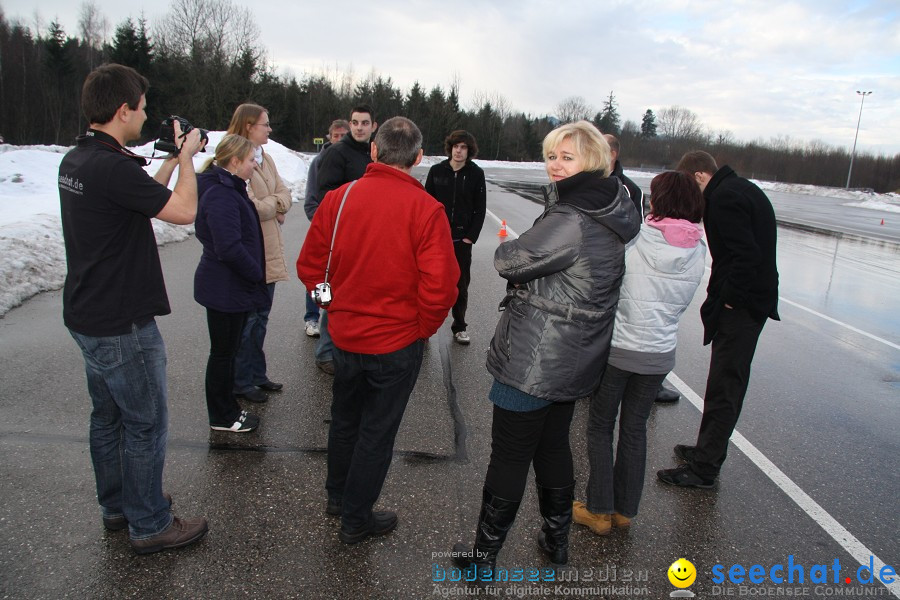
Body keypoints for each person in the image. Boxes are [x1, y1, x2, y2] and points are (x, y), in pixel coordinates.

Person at [452, 121, 640, 578]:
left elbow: (508, 259)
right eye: (552, 155)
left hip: (537, 355)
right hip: (576, 354)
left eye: (567, 157)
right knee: (553, 446)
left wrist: (521, 254)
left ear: (592, 160)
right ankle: (555, 542)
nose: (556, 165)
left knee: (511, 454)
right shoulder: (610, 206)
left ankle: (483, 560)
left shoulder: (573, 216)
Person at [59, 63, 208, 554]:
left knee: (108, 419)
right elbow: (183, 210)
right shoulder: (110, 168)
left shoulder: (79, 160)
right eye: (142, 109)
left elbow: (138, 195)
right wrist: (187, 158)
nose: (146, 117)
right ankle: (150, 523)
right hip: (122, 322)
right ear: (124, 110)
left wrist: (165, 161)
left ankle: (119, 505)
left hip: (88, 314)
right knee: (144, 423)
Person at [296, 117, 458, 544]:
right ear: (419, 159)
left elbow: (310, 265)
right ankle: (355, 517)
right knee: (375, 433)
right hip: (395, 344)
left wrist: (329, 304)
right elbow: (441, 286)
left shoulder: (340, 198)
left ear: (374, 151)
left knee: (346, 421)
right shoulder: (426, 210)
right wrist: (420, 329)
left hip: (346, 338)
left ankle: (338, 497)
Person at [573, 171, 706, 536]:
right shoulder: (698, 249)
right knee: (634, 429)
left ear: (658, 201)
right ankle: (624, 510)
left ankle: (599, 509)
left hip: (619, 348)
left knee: (600, 426)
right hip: (659, 352)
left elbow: (608, 281)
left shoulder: (638, 238)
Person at [657, 151, 779, 488]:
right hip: (753, 302)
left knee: (725, 386)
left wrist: (730, 301)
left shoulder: (724, 198)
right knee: (722, 383)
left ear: (698, 176)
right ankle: (705, 451)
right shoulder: (740, 189)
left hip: (743, 307)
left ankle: (705, 469)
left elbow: (746, 256)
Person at [194, 134, 270, 434]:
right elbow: (228, 247)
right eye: (251, 160)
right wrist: (256, 273)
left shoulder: (229, 187)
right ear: (235, 161)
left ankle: (227, 410)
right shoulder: (221, 194)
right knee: (223, 354)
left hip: (231, 286)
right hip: (225, 288)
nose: (255, 166)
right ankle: (222, 415)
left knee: (227, 351)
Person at [605, 134, 681, 403]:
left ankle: (647, 383)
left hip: (619, 266)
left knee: (630, 319)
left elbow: (634, 230)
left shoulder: (629, 189)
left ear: (613, 153)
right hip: (597, 268)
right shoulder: (585, 181)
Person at [226, 103, 292, 404]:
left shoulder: (266, 160)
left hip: (269, 249)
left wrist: (273, 205)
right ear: (249, 125)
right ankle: (241, 380)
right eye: (265, 124)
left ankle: (256, 373)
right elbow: (248, 205)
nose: (269, 129)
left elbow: (285, 195)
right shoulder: (235, 158)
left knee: (261, 317)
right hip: (254, 252)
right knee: (249, 320)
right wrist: (272, 207)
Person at [309, 105, 377, 375]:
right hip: (342, 236)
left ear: (374, 125)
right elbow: (325, 195)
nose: (359, 127)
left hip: (367, 237)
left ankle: (353, 349)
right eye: (355, 122)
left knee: (360, 296)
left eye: (365, 122)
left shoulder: (374, 152)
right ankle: (326, 352)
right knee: (335, 296)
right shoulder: (337, 153)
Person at [425, 130, 487, 345]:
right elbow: (427, 204)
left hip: (461, 240)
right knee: (429, 282)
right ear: (450, 148)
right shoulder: (436, 171)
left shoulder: (476, 174)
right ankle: (424, 327)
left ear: (469, 151)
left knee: (460, 285)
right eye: (456, 146)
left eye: (463, 148)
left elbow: (480, 209)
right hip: (437, 239)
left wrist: (470, 237)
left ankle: (459, 326)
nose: (459, 151)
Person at [302, 119, 349, 338]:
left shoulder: (353, 159)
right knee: (319, 274)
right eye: (335, 135)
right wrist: (322, 225)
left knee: (340, 277)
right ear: (329, 137)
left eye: (343, 135)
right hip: (326, 230)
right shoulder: (319, 162)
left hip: (348, 233)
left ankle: (333, 316)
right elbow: (311, 199)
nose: (339, 139)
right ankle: (313, 315)